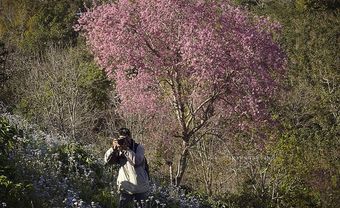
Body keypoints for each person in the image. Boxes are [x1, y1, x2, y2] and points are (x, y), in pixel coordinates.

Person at [104, 128, 149, 208]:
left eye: (126, 138)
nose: (124, 141)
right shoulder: (118, 148)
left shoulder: (139, 147)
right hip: (125, 188)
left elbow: (137, 161)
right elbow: (107, 161)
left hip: (140, 187)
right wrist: (113, 149)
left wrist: (126, 150)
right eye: (121, 139)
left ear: (130, 137)